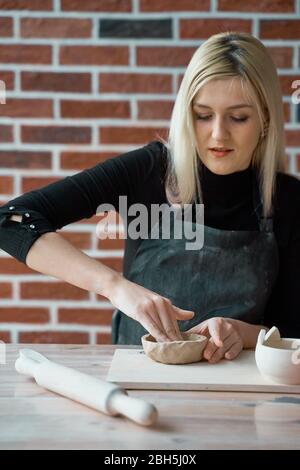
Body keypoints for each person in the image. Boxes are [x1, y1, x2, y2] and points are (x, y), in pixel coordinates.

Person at [0, 31, 299, 363]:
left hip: (237, 387)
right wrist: (114, 286)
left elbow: (293, 329)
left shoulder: (289, 200)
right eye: (202, 115)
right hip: (139, 377)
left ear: (266, 120)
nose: (218, 134)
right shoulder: (148, 170)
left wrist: (243, 333)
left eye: (238, 117)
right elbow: (11, 221)